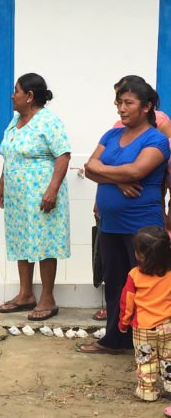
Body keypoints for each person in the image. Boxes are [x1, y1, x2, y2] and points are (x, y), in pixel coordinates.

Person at [80, 79, 170, 354]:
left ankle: (151, 345)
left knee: (148, 284)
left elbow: (136, 171)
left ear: (147, 107)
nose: (121, 108)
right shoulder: (110, 135)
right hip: (111, 224)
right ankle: (115, 340)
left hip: (143, 227)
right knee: (116, 284)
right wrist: (118, 180)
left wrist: (105, 173)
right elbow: (89, 168)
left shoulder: (156, 139)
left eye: (128, 103)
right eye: (119, 102)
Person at [0, 74, 71, 320]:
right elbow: (10, 153)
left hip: (41, 194)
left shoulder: (49, 121)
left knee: (44, 241)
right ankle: (25, 294)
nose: (12, 95)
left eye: (16, 90)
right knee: (21, 239)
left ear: (29, 96)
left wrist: (52, 190)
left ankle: (47, 298)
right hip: (17, 196)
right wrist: (2, 183)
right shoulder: (15, 120)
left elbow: (63, 155)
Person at [118, 225, 171, 403]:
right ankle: (170, 387)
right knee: (169, 358)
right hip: (168, 326)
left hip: (144, 329)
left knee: (146, 360)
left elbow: (127, 303)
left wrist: (123, 323)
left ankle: (146, 391)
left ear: (141, 256)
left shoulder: (134, 275)